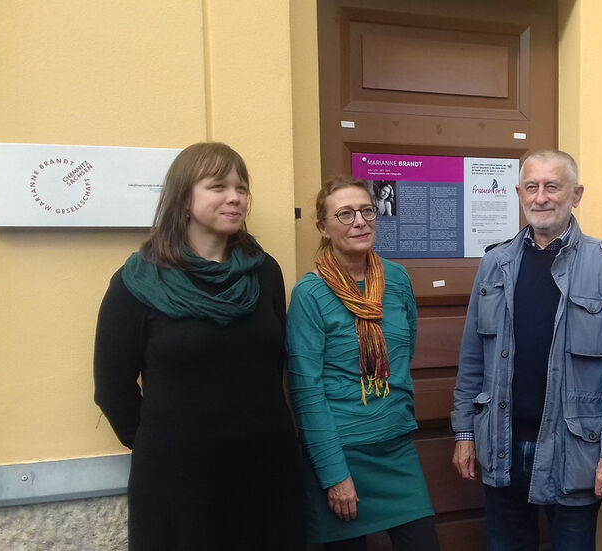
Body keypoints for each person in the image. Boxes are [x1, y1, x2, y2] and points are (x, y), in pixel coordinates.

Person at [93, 142, 305, 550]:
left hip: (265, 470)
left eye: (241, 188)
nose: (235, 197)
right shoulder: (136, 284)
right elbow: (112, 387)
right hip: (176, 480)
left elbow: (274, 363)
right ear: (184, 198)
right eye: (218, 186)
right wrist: (167, 442)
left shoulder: (264, 272)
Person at [451, 150, 602, 551]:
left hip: (575, 452)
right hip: (501, 447)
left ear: (576, 194)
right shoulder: (495, 264)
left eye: (552, 186)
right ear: (519, 193)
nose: (540, 197)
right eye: (531, 187)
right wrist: (464, 432)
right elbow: (473, 358)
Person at [286, 176, 439, 551]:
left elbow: (403, 354)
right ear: (323, 227)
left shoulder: (397, 279)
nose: (360, 221)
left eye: (367, 210)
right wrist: (335, 476)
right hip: (341, 452)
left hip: (396, 446)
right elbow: (306, 391)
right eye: (345, 214)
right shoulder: (310, 294)